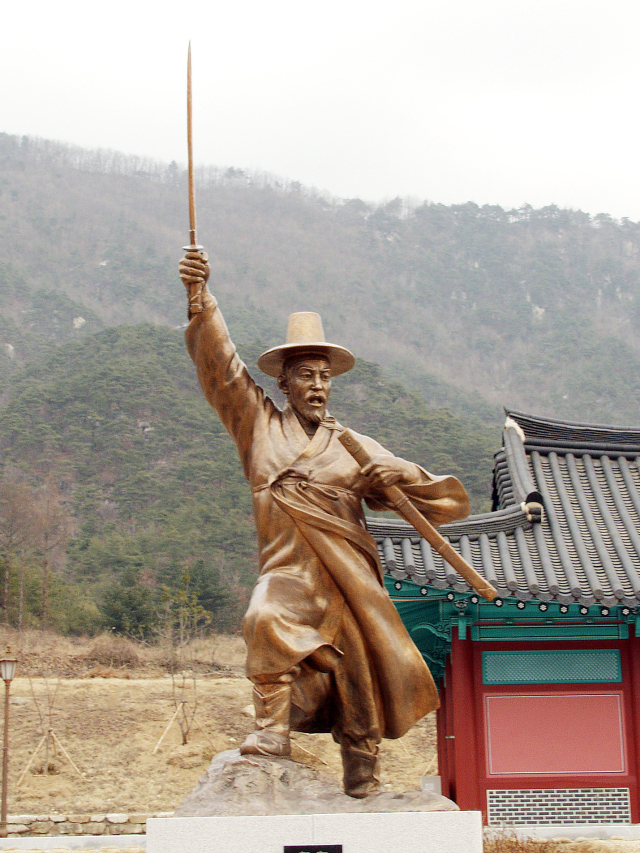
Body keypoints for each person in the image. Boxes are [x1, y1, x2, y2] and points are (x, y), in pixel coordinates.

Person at [179, 250, 470, 798]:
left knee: (356, 680)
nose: (317, 386)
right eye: (305, 376)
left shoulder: (352, 447)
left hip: (347, 582)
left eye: (324, 377)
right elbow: (220, 368)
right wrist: (201, 300)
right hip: (289, 572)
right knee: (264, 616)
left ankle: (362, 765)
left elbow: (445, 505)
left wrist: (398, 471)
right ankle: (269, 732)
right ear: (284, 383)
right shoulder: (259, 427)